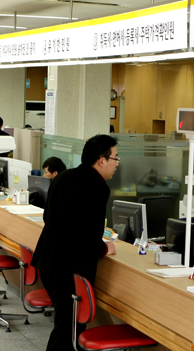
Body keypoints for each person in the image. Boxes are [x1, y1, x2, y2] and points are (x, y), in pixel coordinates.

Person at [31, 134, 119, 351]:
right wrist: (104, 248)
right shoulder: (97, 187)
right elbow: (88, 235)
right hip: (68, 268)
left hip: (47, 260)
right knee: (68, 329)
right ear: (101, 160)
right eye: (115, 158)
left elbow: (49, 218)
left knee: (66, 325)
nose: (117, 164)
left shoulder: (63, 176)